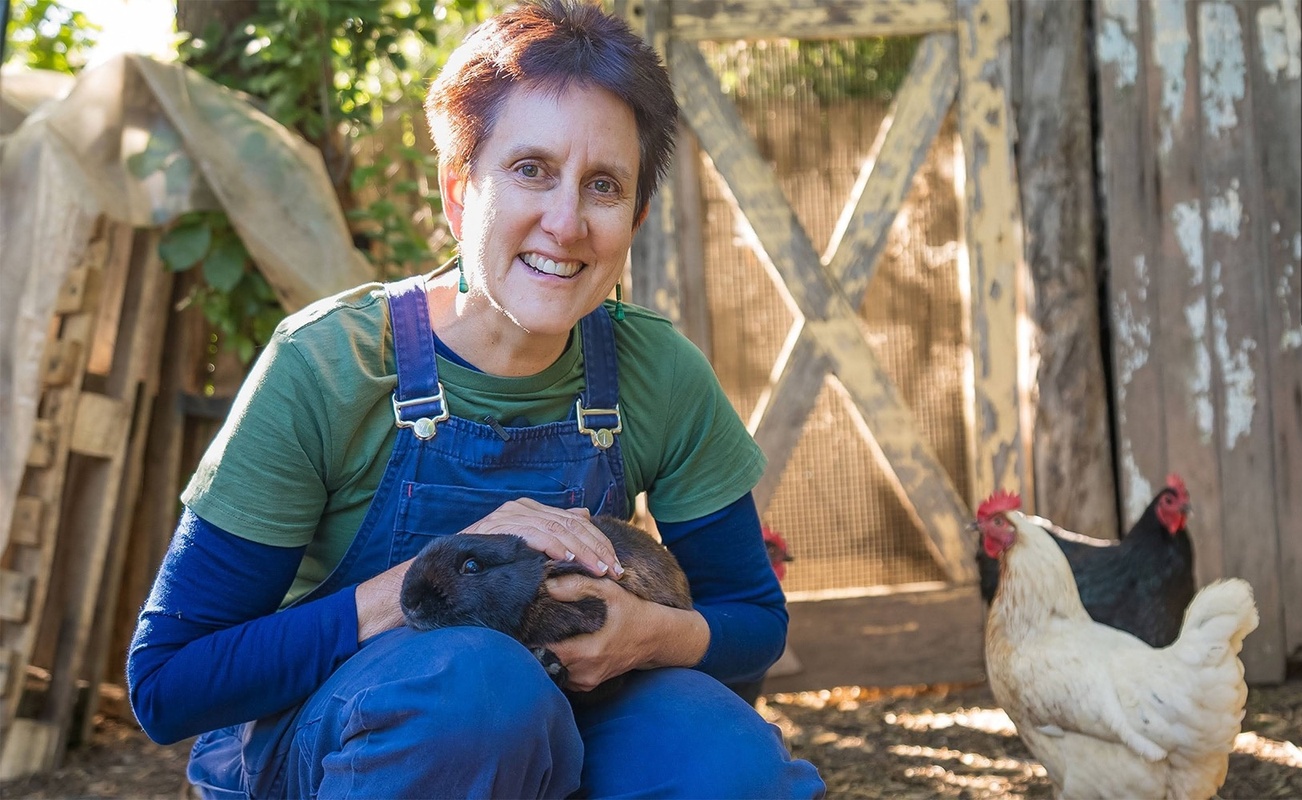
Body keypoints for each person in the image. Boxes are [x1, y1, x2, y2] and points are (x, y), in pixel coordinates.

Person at [125, 2, 825, 797]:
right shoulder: (330, 366)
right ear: (459, 190)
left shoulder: (654, 371)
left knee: (724, 760)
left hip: (572, 720)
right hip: (335, 747)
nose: (565, 223)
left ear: (636, 218)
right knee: (479, 690)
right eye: (531, 169)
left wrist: (650, 634)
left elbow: (754, 621)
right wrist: (423, 581)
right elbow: (168, 686)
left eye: (603, 186)